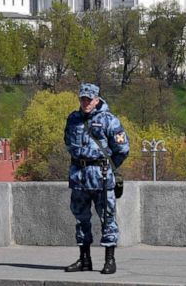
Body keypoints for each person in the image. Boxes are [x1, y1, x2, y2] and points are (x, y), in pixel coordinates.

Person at [63, 82, 129, 274]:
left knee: (107, 219)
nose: (85, 103)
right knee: (81, 219)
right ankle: (84, 260)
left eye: (89, 99)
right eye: (82, 99)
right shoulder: (73, 119)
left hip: (101, 177)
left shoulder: (109, 120)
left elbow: (122, 149)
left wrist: (108, 167)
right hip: (79, 177)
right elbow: (68, 142)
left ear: (97, 99)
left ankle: (109, 260)